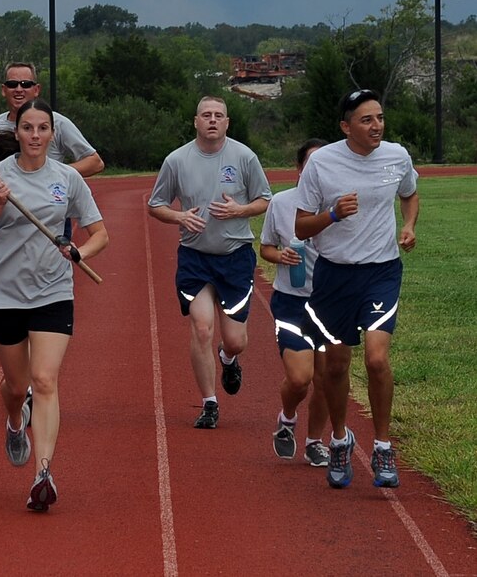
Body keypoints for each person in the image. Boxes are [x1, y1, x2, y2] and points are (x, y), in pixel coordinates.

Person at [0, 98, 108, 511]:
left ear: (51, 133)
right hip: (4, 295)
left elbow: (100, 233)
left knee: (45, 380)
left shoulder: (67, 178)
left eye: (42, 128)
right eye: (27, 128)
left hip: (53, 291)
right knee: (16, 387)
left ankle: (42, 473)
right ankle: (15, 422)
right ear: (17, 133)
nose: (34, 136)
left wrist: (81, 252)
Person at [295, 88, 419, 490]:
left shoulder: (397, 156)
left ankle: (382, 446)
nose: (376, 126)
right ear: (345, 126)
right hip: (335, 275)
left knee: (377, 360)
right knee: (334, 365)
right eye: (366, 120)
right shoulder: (323, 164)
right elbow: (300, 226)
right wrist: (331, 214)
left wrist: (408, 224)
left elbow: (410, 192)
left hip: (381, 271)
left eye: (380, 118)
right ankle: (340, 439)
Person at [147, 96, 272, 429]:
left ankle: (228, 359)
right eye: (206, 115)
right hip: (195, 258)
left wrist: (239, 210)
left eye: (219, 115)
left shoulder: (244, 157)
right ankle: (209, 403)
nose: (212, 120)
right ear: (196, 121)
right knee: (202, 328)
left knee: (235, 340)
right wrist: (179, 216)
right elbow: (155, 205)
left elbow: (264, 200)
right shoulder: (176, 160)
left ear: (227, 122)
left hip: (235, 257)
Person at [259, 139, 330, 467]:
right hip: (292, 302)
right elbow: (266, 248)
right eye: (311, 165)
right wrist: (281, 256)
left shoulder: (340, 205)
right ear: (300, 170)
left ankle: (315, 441)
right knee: (301, 378)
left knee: (327, 379)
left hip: (331, 303)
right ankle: (287, 419)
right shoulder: (282, 203)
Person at [0, 62, 104, 177]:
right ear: (4, 90)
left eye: (26, 84)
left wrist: (55, 173)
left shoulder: (58, 123)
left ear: (36, 89)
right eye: (12, 84)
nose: (19, 90)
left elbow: (95, 162)